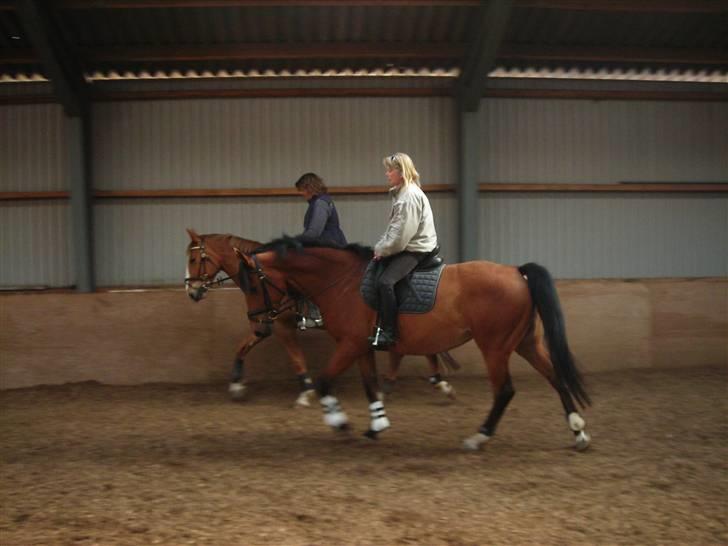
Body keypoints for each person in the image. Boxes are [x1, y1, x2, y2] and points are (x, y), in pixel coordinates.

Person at [369, 153, 438, 349]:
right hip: (407, 246)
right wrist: (380, 247)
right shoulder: (402, 194)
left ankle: (390, 332)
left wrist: (382, 250)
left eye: (390, 170)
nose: (387, 173)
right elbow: (393, 230)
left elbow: (401, 238)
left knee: (385, 282)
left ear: (401, 172)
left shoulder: (409, 197)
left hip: (415, 249)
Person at [294, 172, 347, 329]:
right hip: (326, 247)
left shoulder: (320, 204)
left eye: (302, 190)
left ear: (309, 188)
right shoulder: (319, 203)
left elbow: (314, 232)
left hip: (330, 248)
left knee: (304, 274)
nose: (301, 194)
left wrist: (293, 243)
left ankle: (315, 315)